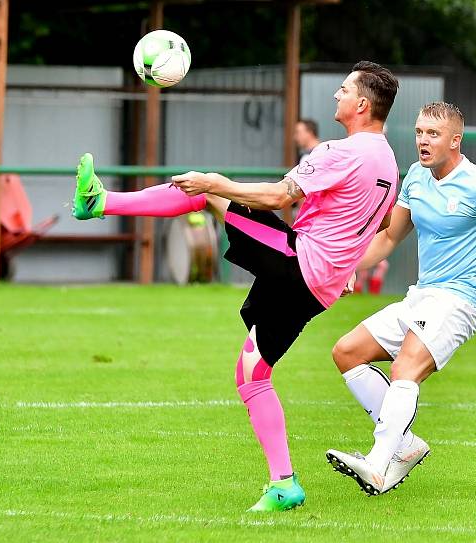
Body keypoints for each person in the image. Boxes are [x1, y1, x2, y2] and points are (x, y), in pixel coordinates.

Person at [70, 61, 400, 512]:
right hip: (315, 284)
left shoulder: (343, 152)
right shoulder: (387, 160)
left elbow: (279, 196)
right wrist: (345, 270)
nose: (335, 96)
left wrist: (216, 183)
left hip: (297, 263)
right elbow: (368, 223)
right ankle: (284, 485)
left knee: (206, 193)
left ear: (362, 104)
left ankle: (99, 202)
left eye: (343, 90)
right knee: (252, 375)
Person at [325, 101, 476, 496]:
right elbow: (390, 237)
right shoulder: (415, 176)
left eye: (433, 134)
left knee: (405, 367)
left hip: (462, 300)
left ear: (455, 141)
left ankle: (378, 464)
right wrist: (346, 269)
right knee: (347, 352)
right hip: (423, 295)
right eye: (418, 132)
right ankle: (405, 445)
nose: (423, 141)